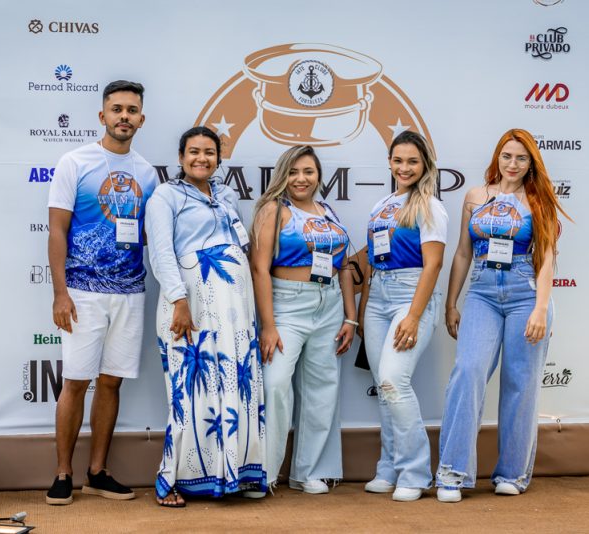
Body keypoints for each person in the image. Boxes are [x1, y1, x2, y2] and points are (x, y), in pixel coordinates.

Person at [435, 128, 568, 503]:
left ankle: (512, 472)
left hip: (526, 290)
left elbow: (546, 260)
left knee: (520, 382)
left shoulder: (540, 200)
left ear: (531, 164)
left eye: (521, 158)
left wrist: (541, 308)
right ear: (497, 158)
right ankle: (453, 472)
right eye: (507, 156)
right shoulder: (476, 196)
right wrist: (451, 303)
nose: (513, 164)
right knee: (468, 371)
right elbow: (462, 252)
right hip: (482, 291)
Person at [46, 80, 157, 505]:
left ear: (141, 119)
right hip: (82, 291)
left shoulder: (147, 172)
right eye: (117, 109)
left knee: (111, 383)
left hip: (130, 292)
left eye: (131, 110)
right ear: (102, 115)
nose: (124, 116)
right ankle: (62, 473)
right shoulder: (75, 162)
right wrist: (60, 293)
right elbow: (57, 230)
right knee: (75, 382)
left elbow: (148, 235)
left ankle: (97, 472)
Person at [145, 126, 266, 507]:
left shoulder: (227, 195)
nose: (202, 158)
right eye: (194, 151)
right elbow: (162, 253)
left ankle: (232, 475)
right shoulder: (165, 196)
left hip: (234, 308)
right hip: (192, 305)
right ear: (180, 157)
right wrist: (179, 300)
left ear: (219, 157)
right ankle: (172, 480)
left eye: (209, 152)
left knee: (234, 383)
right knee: (190, 387)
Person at [250, 146, 357, 494]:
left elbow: (342, 267)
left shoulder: (328, 210)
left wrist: (350, 318)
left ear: (318, 175)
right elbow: (259, 268)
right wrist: (268, 325)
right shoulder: (274, 209)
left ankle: (307, 471)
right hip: (287, 306)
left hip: (329, 306)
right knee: (276, 384)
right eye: (294, 171)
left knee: (322, 389)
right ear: (283, 174)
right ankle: (262, 472)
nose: (301, 179)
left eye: (308, 171)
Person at [358, 130, 448, 502]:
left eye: (412, 161)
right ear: (390, 162)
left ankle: (414, 472)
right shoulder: (383, 204)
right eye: (398, 160)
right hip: (378, 295)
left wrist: (413, 315)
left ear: (425, 163)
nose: (404, 167)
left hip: (411, 295)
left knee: (394, 380)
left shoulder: (430, 206)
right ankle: (389, 468)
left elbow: (434, 263)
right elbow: (375, 254)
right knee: (384, 389)